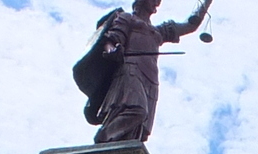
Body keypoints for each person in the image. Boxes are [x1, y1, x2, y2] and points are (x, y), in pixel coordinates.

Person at [80, 0, 212, 144]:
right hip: (131, 69)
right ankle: (105, 137)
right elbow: (111, 39)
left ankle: (122, 149)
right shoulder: (127, 18)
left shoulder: (159, 31)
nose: (156, 3)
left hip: (151, 79)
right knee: (137, 110)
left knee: (140, 129)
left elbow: (190, 25)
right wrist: (112, 51)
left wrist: (206, 2)